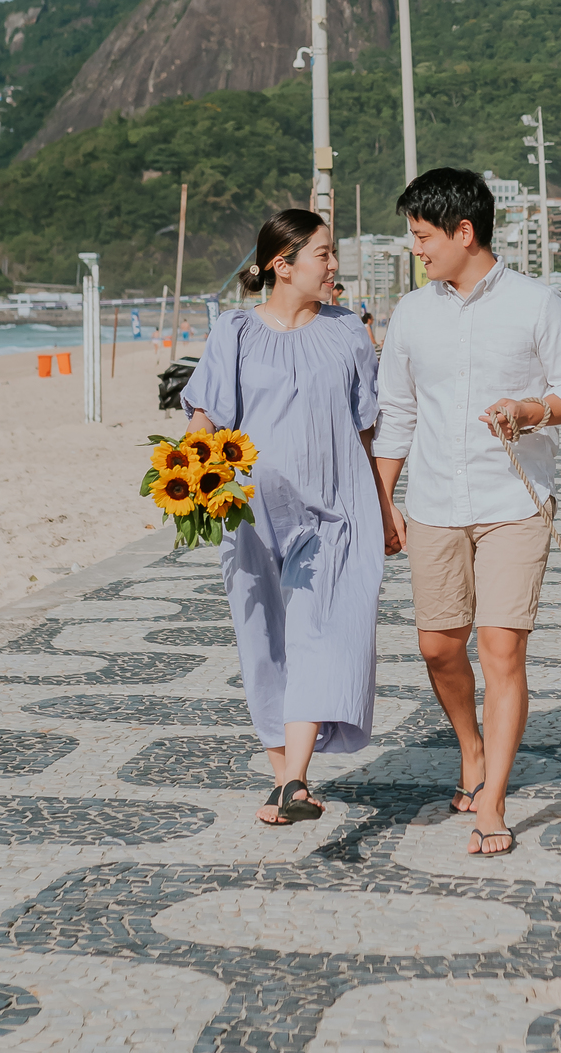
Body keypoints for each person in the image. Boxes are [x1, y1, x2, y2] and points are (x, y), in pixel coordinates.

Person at [372, 168, 561, 858]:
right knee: (438, 647)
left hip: (513, 503)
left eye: (423, 236)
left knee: (502, 650)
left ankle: (492, 798)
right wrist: (383, 500)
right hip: (433, 502)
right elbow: (396, 413)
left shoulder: (537, 303)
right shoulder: (412, 313)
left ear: (464, 232)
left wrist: (531, 410)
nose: (417, 249)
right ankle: (470, 746)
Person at [181, 209, 403, 828]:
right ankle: (286, 784)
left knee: (323, 631)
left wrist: (385, 503)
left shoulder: (347, 330)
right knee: (263, 640)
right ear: (283, 264)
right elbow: (206, 413)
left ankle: (298, 775)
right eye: (323, 254)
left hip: (337, 510)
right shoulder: (234, 332)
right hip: (251, 512)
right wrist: (189, 469)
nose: (333, 265)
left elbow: (366, 428)